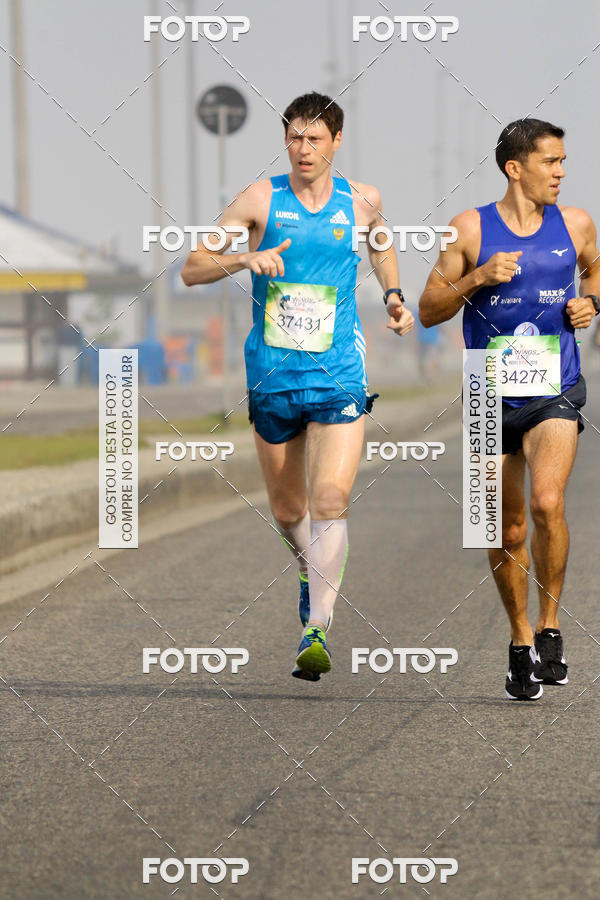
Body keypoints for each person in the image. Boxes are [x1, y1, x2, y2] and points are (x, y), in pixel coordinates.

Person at [182, 91, 414, 680]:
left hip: (338, 370)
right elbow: (191, 268)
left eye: (314, 139)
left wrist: (393, 294)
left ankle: (318, 628)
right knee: (289, 511)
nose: (303, 149)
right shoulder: (261, 199)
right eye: (294, 138)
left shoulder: (362, 200)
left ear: (337, 142)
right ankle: (310, 566)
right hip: (272, 374)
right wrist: (244, 260)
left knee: (331, 500)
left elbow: (380, 243)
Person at [419, 118, 600, 700]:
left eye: (564, 161)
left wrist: (589, 302)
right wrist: (475, 277)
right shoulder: (469, 228)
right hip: (486, 391)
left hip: (554, 388)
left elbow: (595, 267)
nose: (563, 172)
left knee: (547, 502)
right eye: (552, 162)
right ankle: (519, 640)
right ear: (515, 167)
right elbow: (428, 309)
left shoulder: (575, 223)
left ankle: (549, 627)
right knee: (503, 524)